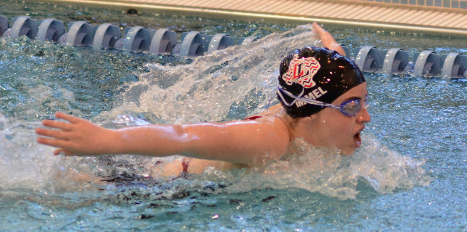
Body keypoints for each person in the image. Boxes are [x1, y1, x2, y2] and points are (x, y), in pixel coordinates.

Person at [35, 23, 370, 175]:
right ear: (312, 114)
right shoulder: (268, 139)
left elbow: (333, 76)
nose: (365, 117)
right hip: (146, 187)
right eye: (353, 107)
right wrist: (106, 140)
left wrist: (331, 48)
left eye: (363, 101)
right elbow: (185, 136)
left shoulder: (307, 109)